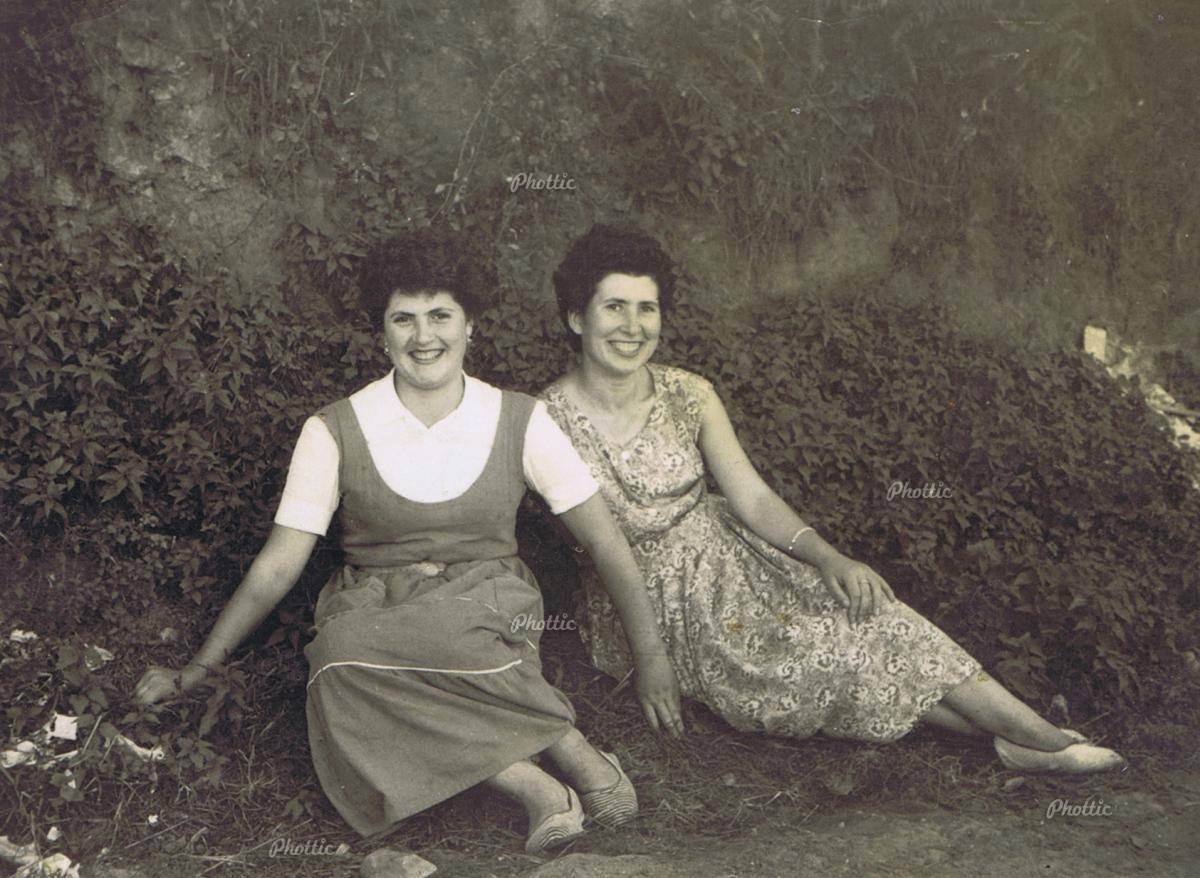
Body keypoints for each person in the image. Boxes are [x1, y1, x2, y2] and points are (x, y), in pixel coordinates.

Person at [134, 231, 685, 851]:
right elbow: (278, 565)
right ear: (382, 331)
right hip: (375, 605)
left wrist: (651, 657)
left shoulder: (521, 418)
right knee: (338, 661)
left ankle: (563, 754)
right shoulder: (333, 428)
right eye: (404, 319)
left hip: (485, 599)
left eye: (441, 316)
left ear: (470, 325)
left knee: (447, 638)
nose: (425, 337)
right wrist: (199, 668)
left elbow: (606, 543)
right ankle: (545, 776)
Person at [540, 223, 1125, 774]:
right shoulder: (547, 421)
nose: (633, 326)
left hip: (734, 561)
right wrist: (651, 658)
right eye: (614, 307)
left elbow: (751, 498)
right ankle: (1037, 740)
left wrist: (828, 558)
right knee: (831, 652)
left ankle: (1030, 736)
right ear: (576, 316)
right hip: (646, 603)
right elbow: (607, 547)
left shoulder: (688, 393)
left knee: (865, 614)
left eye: (647, 308)